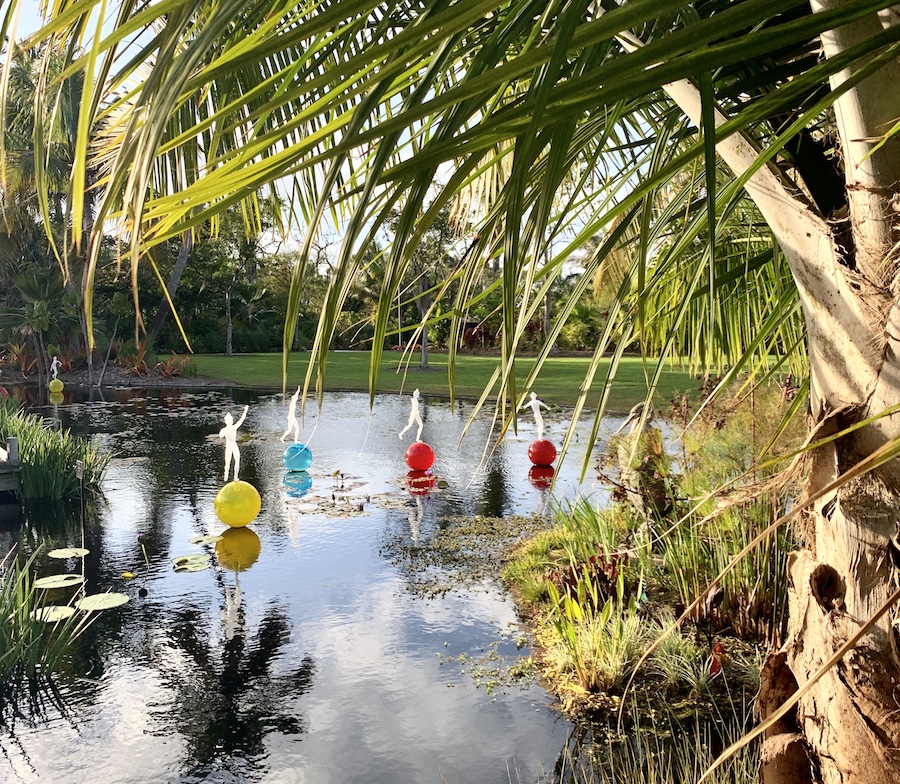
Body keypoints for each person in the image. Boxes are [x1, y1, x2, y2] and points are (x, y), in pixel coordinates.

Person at [219, 405, 249, 482]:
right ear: (226, 421)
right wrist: (224, 431)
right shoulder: (224, 429)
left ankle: (235, 476)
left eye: (230, 420)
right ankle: (226, 474)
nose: (230, 421)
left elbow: (242, 419)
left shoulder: (234, 427)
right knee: (227, 462)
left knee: (237, 460)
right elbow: (220, 435)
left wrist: (245, 411)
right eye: (228, 420)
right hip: (229, 446)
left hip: (234, 445)